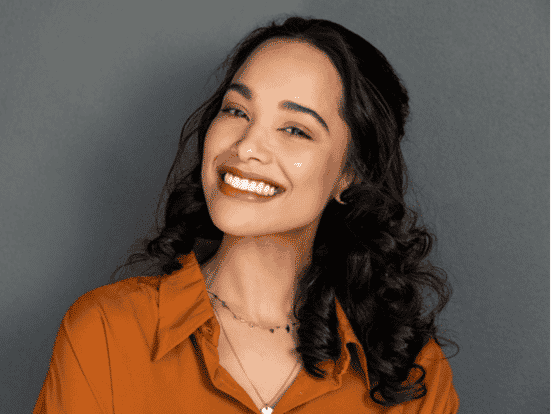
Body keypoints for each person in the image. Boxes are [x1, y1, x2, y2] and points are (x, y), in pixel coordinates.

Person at [33, 16, 460, 414]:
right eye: (236, 111)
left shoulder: (412, 372)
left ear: (351, 173)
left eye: (295, 129)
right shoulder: (105, 331)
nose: (246, 146)